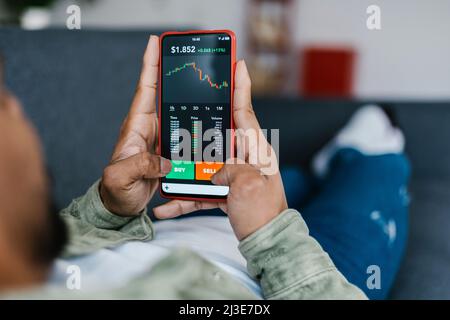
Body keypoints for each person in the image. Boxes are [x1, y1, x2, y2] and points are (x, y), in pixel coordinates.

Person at [0, 35, 409, 299]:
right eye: (2, 101)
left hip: (203, 221)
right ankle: (359, 148)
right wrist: (274, 235)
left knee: (267, 184)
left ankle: (304, 179)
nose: (17, 107)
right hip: (290, 264)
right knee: (378, 168)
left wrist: (106, 211)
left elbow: (29, 243)